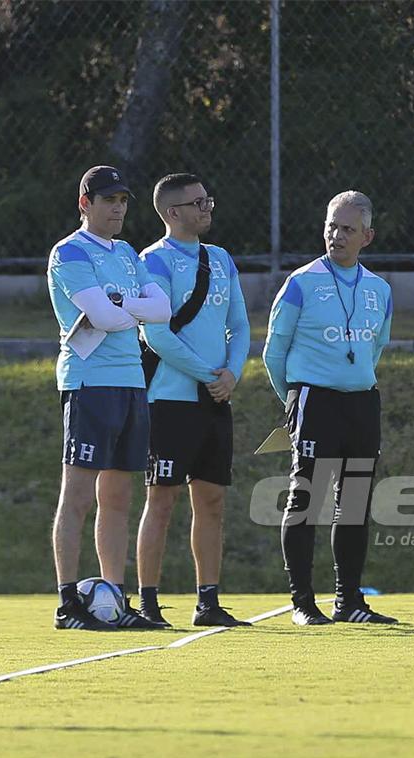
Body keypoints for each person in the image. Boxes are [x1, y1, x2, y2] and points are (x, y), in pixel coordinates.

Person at [262, 191, 396, 626]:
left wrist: (352, 381)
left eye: (347, 229)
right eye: (331, 227)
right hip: (313, 401)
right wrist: (295, 400)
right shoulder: (301, 283)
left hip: (361, 404)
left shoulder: (380, 289)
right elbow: (273, 352)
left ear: (367, 236)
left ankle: (350, 601)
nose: (336, 236)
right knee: (305, 500)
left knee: (354, 503)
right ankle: (303, 603)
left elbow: (376, 347)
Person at [46, 165, 171, 630]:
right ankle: (68, 603)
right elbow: (100, 314)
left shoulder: (126, 253)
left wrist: (123, 306)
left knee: (118, 497)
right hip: (88, 382)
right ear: (86, 204)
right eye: (108, 200)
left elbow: (161, 309)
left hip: (131, 381)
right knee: (77, 495)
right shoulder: (70, 252)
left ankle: (115, 600)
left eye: (122, 201)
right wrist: (123, 308)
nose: (117, 208)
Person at [134, 173, 252, 628]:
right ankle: (148, 602)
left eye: (208, 200)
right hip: (170, 399)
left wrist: (232, 374)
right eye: (197, 203)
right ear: (172, 213)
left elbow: (239, 325)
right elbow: (156, 334)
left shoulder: (220, 259)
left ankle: (208, 602)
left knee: (212, 501)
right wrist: (209, 374)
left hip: (215, 399)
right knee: (160, 500)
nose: (207, 209)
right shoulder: (154, 262)